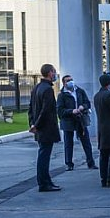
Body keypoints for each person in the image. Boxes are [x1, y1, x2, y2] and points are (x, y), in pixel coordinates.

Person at [28, 63, 61, 192]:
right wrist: (37, 125)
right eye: (54, 72)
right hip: (46, 128)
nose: (55, 74)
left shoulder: (37, 88)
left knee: (43, 155)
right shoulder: (47, 89)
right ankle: (44, 183)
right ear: (50, 73)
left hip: (40, 128)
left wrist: (32, 123)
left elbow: (31, 108)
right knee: (44, 156)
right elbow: (46, 110)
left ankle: (46, 181)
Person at [56, 73, 97, 170]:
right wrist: (71, 111)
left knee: (86, 141)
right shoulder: (62, 95)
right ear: (64, 83)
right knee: (68, 143)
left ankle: (90, 162)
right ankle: (69, 164)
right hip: (68, 121)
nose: (70, 82)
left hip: (80, 119)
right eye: (68, 81)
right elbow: (60, 110)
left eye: (71, 79)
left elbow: (87, 103)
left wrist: (83, 106)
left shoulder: (80, 91)